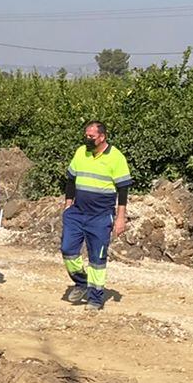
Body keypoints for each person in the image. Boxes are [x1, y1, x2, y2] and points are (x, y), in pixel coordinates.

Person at [60, 120, 130, 309]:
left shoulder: (116, 157)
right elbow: (71, 180)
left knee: (97, 259)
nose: (88, 139)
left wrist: (120, 218)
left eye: (92, 136)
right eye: (86, 135)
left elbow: (123, 190)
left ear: (102, 137)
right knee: (67, 250)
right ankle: (81, 281)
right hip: (77, 212)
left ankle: (95, 298)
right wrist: (68, 205)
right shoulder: (80, 152)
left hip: (100, 216)